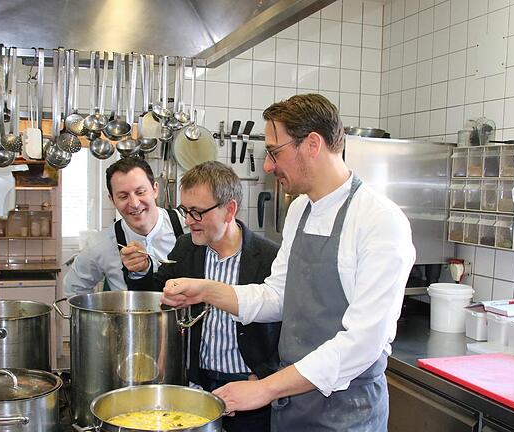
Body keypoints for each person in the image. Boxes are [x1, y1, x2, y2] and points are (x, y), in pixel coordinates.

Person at [161, 94, 416, 431]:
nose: (268, 165)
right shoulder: (300, 209)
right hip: (292, 405)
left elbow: (363, 343)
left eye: (274, 152)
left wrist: (264, 389)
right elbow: (277, 297)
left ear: (312, 144)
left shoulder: (380, 221)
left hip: (346, 413)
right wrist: (206, 290)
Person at [121, 161, 281, 432]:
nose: (187, 221)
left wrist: (265, 378)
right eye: (185, 210)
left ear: (229, 210)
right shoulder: (186, 248)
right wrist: (142, 270)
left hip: (250, 389)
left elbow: (290, 327)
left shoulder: (270, 258)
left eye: (197, 212)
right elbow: (159, 295)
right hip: (198, 385)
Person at [63, 157, 184, 294]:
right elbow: (74, 289)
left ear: (155, 190)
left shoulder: (188, 227)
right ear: (112, 200)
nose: (134, 203)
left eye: (140, 192)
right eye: (123, 196)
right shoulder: (101, 245)